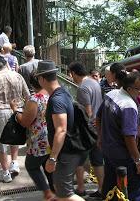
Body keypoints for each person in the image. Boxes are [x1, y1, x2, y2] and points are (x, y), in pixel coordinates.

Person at [36, 60, 85, 201]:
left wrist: (52, 158)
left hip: (65, 153)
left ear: (42, 78)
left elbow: (61, 130)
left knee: (65, 194)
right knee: (60, 190)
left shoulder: (57, 100)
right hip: (68, 151)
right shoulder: (64, 92)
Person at [96, 71, 140, 201]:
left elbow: (98, 116)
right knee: (137, 186)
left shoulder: (111, 94)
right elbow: (129, 136)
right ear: (129, 89)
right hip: (123, 155)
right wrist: (138, 160)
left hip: (108, 151)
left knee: (111, 186)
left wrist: (100, 137)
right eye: (139, 89)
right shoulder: (128, 105)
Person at [0, 56, 29, 183]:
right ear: (7, 64)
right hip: (17, 110)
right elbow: (27, 95)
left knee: (0, 142)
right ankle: (14, 162)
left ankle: (5, 172)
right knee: (15, 137)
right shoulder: (18, 76)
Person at [10, 72, 56, 201]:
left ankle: (48, 193)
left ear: (32, 83)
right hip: (52, 139)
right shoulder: (52, 95)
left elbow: (25, 122)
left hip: (38, 141)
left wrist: (15, 110)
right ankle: (55, 191)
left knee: (31, 165)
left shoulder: (35, 99)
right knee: (48, 167)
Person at [68, 62, 104, 199]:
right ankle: (101, 189)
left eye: (70, 74)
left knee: (78, 158)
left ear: (73, 73)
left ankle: (81, 189)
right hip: (97, 128)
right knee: (97, 160)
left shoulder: (83, 88)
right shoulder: (94, 82)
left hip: (87, 129)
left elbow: (87, 112)